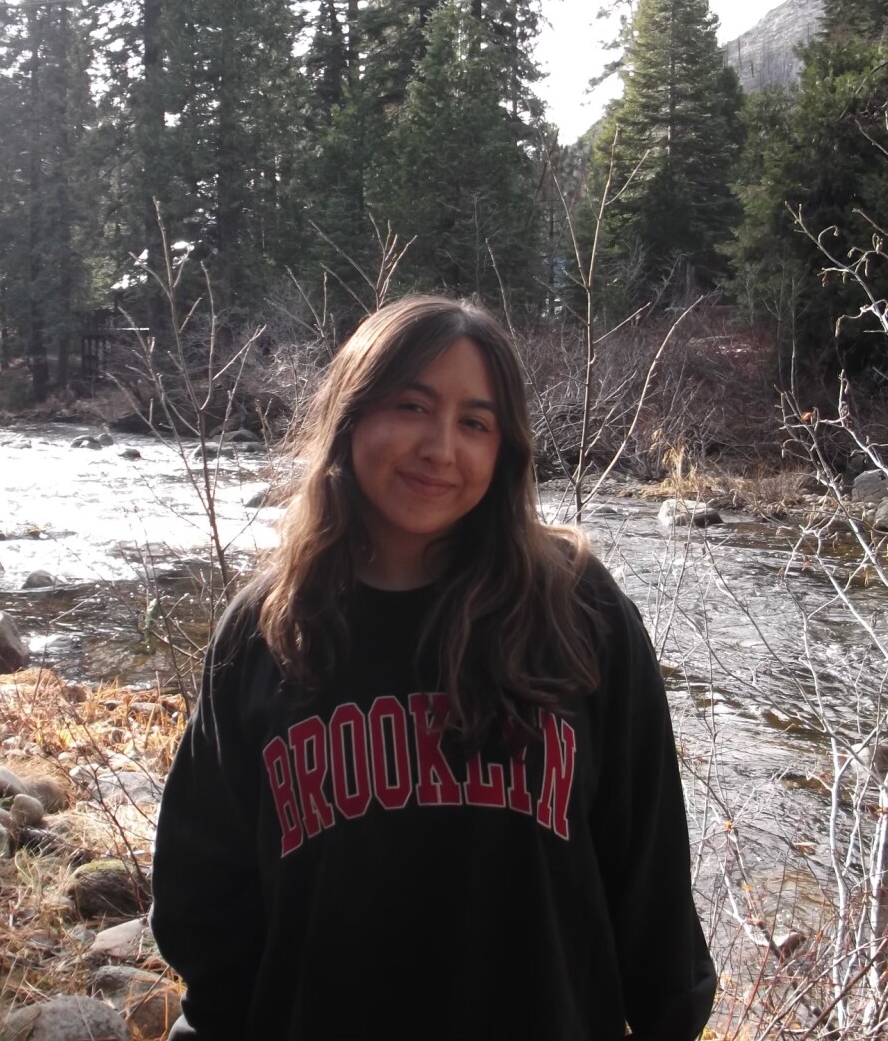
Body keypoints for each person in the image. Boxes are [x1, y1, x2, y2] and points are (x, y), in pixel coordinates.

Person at [150, 295, 715, 1040]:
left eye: (476, 423)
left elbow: (648, 867)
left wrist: (671, 1016)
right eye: (412, 407)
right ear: (351, 415)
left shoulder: (578, 611)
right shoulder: (266, 630)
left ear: (505, 450)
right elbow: (204, 894)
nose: (441, 448)